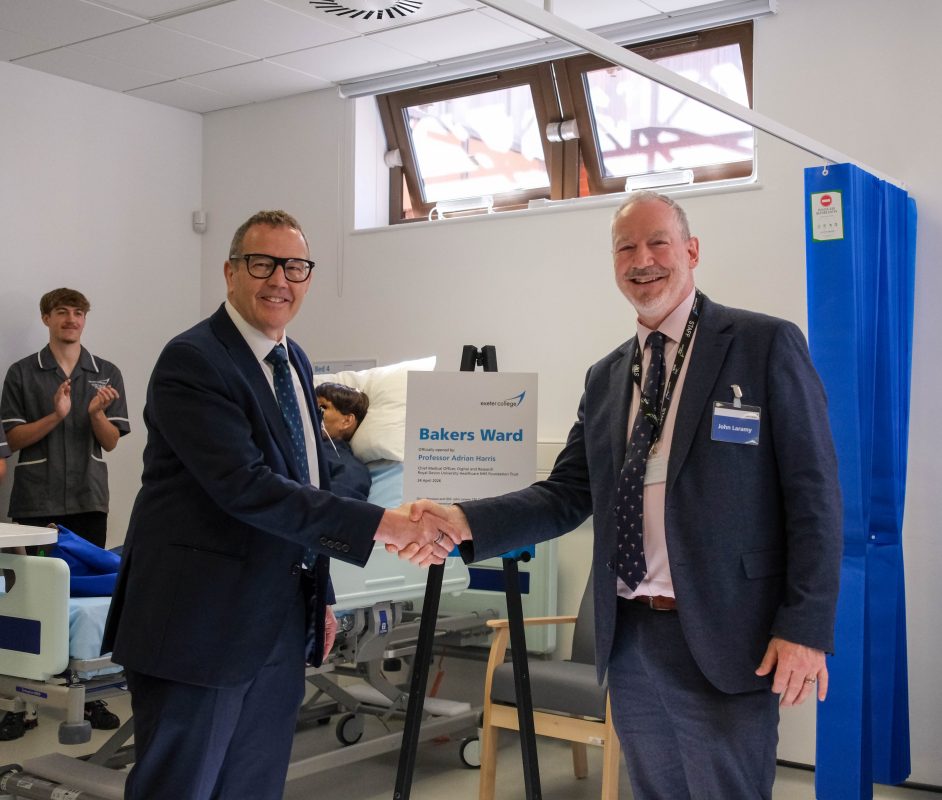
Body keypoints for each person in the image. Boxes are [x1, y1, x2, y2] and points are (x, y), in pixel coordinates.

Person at [409, 191, 843, 800]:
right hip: (631, 640)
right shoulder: (607, 376)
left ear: (691, 251)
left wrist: (806, 626)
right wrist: (463, 518)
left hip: (726, 635)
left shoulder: (762, 344)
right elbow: (566, 494)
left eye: (658, 242)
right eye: (625, 247)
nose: (643, 259)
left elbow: (815, 497)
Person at [101, 210, 458, 800]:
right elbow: (247, 487)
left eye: (295, 266)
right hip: (200, 626)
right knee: (181, 787)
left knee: (253, 786)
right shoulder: (193, 361)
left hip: (278, 625)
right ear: (231, 272)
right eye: (262, 263)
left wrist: (320, 593)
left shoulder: (293, 362)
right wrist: (383, 525)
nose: (279, 280)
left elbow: (309, 482)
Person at [1, 287, 129, 731]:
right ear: (46, 319)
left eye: (78, 313)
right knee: (34, 601)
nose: (71, 319)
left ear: (85, 319)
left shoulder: (105, 373)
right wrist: (57, 415)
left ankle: (90, 697)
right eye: (62, 312)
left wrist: (94, 413)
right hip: (36, 502)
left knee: (90, 600)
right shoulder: (22, 373)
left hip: (88, 500)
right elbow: (12, 441)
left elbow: (111, 441)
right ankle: (25, 704)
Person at [315, 381, 372, 501]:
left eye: (323, 407)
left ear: (346, 421)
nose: (312, 411)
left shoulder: (350, 468)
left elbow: (332, 512)